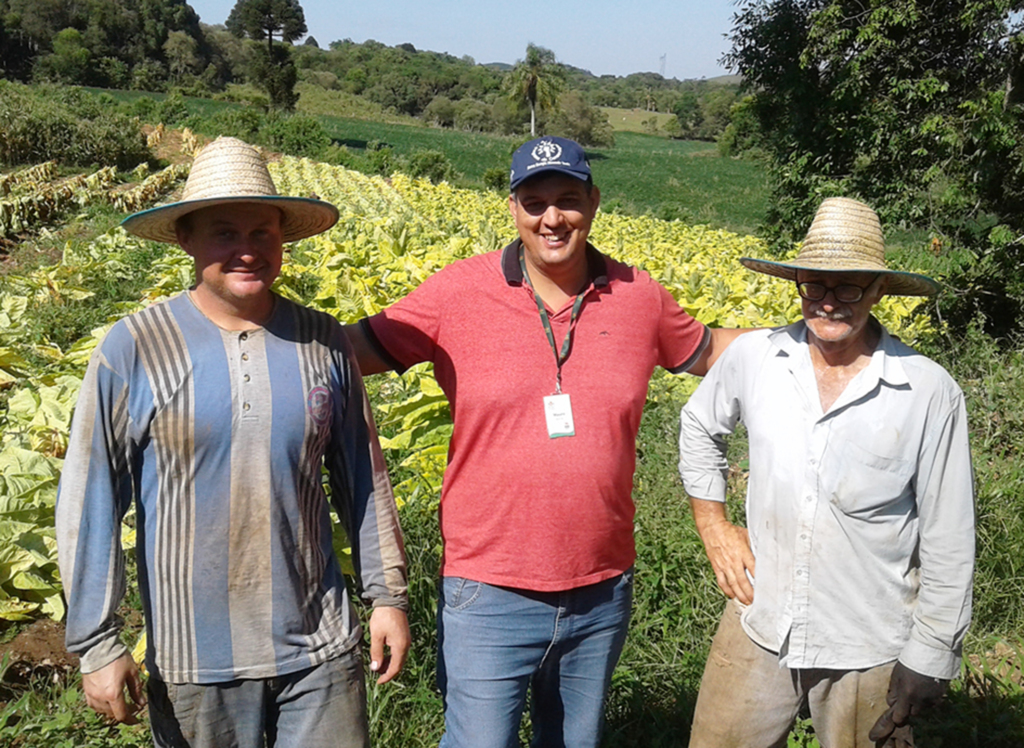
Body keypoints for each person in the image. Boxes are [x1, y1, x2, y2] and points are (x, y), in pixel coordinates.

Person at [343, 135, 747, 747]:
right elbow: (349, 352)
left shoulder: (639, 296)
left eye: (567, 200)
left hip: (602, 585)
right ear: (512, 208)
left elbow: (711, 350)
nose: (551, 218)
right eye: (534, 202)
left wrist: (822, 330)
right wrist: (245, 329)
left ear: (594, 201)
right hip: (489, 585)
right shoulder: (455, 293)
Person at [56, 136, 410, 748]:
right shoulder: (134, 347)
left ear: (283, 240)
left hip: (319, 650)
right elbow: (90, 500)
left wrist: (388, 597)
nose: (247, 251)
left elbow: (365, 480)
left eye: (263, 233)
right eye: (224, 233)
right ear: (187, 240)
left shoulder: (322, 341)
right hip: (197, 659)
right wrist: (96, 641)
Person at [678, 197, 975, 748]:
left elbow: (949, 535)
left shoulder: (928, 390)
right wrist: (713, 524)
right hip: (760, 617)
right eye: (813, 286)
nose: (828, 304)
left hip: (869, 641)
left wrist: (931, 653)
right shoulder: (757, 357)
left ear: (878, 290)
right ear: (796, 282)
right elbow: (699, 425)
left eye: (848, 289)